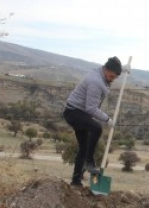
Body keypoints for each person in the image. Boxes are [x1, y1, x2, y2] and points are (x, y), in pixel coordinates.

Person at [63, 56, 125, 187]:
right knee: (97, 128)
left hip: (79, 112)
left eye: (115, 77)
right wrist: (107, 119)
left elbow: (114, 66)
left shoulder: (103, 71)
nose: (112, 80)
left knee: (83, 148)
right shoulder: (95, 82)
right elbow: (91, 108)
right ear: (106, 70)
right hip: (74, 112)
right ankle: (89, 161)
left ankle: (76, 181)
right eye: (111, 77)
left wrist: (125, 69)